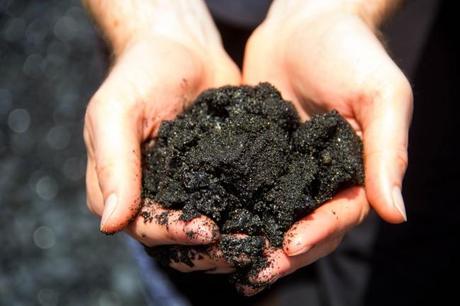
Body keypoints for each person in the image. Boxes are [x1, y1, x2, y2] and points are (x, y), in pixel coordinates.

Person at [82, 0, 416, 305]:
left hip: (357, 43)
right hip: (171, 54)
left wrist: (339, 8)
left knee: (381, 271)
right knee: (186, 264)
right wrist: (146, 24)